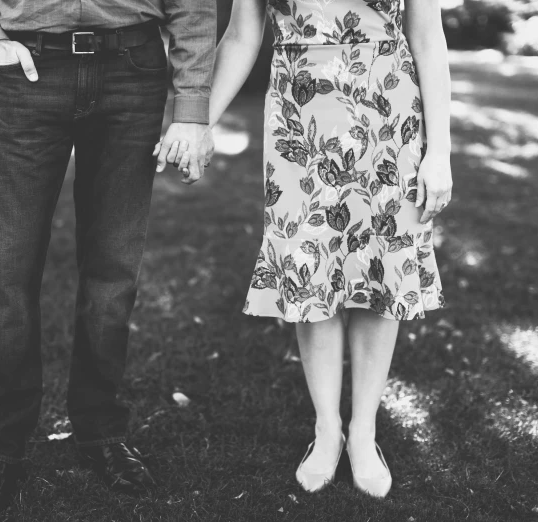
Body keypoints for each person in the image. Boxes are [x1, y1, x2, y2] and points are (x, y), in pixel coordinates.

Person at [156, 0, 450, 498]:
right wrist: (199, 122)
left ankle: (364, 432)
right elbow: (242, 36)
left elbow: (427, 38)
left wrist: (439, 150)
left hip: (388, 114)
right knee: (308, 269)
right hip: (301, 115)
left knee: (379, 272)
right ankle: (325, 429)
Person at [0, 0, 216, 516]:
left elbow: (194, 7)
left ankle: (100, 433)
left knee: (113, 277)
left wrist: (192, 107)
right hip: (26, 70)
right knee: (6, 274)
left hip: (131, 72)